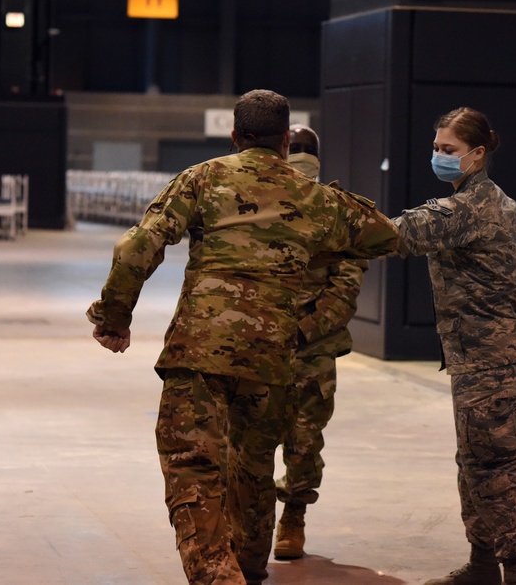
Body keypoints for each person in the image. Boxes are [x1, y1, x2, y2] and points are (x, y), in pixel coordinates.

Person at [86, 89, 399, 585]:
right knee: (252, 469)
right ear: (282, 142)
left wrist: (114, 317)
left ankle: (217, 575)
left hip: (199, 353)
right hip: (271, 362)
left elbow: (135, 247)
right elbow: (388, 235)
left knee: (193, 467)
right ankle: (250, 565)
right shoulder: (317, 198)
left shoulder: (203, 178)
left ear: (234, 136)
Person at [392, 107, 516, 585]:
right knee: (474, 462)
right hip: (479, 354)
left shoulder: (468, 207)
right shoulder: (499, 202)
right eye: (436, 148)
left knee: (497, 467)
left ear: (478, 154)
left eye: (450, 150)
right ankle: (483, 564)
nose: (439, 157)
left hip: (491, 359)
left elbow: (401, 232)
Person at [272, 124, 368, 560]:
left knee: (304, 442)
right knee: (248, 440)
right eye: (296, 148)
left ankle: (294, 514)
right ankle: (251, 520)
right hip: (259, 345)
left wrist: (303, 331)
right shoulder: (262, 204)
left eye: (308, 149)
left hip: (312, 347)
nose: (302, 156)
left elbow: (345, 291)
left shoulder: (338, 212)